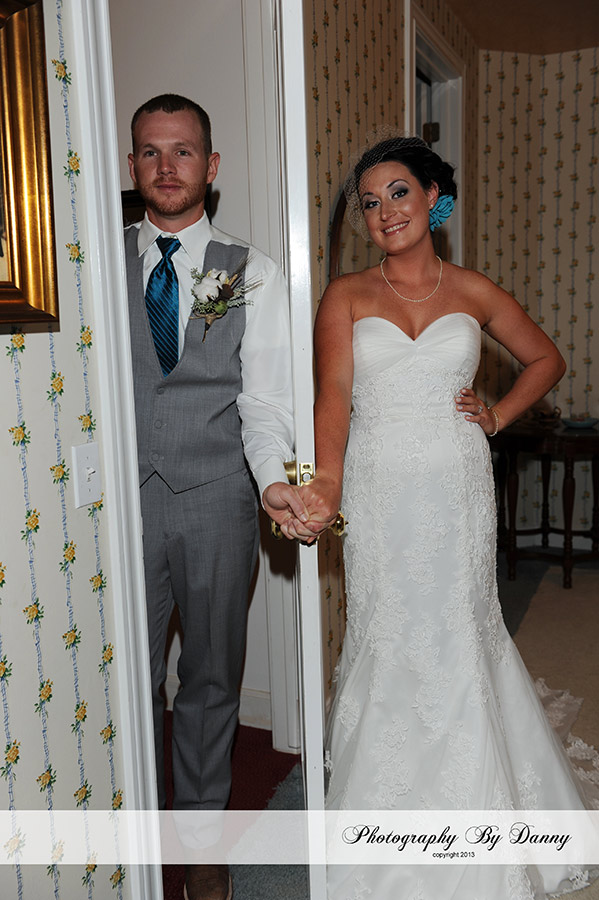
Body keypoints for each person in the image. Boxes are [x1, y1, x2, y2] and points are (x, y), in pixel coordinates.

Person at [295, 135, 598, 898]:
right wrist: (326, 479)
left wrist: (496, 416)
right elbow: (333, 395)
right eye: (370, 203)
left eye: (398, 192)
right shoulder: (346, 295)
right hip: (376, 489)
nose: (384, 212)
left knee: (458, 631)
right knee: (387, 630)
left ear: (433, 197)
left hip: (456, 488)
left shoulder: (472, 289)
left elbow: (545, 359)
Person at [124, 94, 307, 900]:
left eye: (183, 150)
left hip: (218, 501)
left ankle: (201, 840)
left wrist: (272, 481)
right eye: (150, 151)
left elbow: (263, 400)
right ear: (133, 164)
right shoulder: (89, 262)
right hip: (119, 506)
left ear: (211, 165)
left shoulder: (249, 270)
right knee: (123, 679)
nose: (166, 166)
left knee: (208, 678)